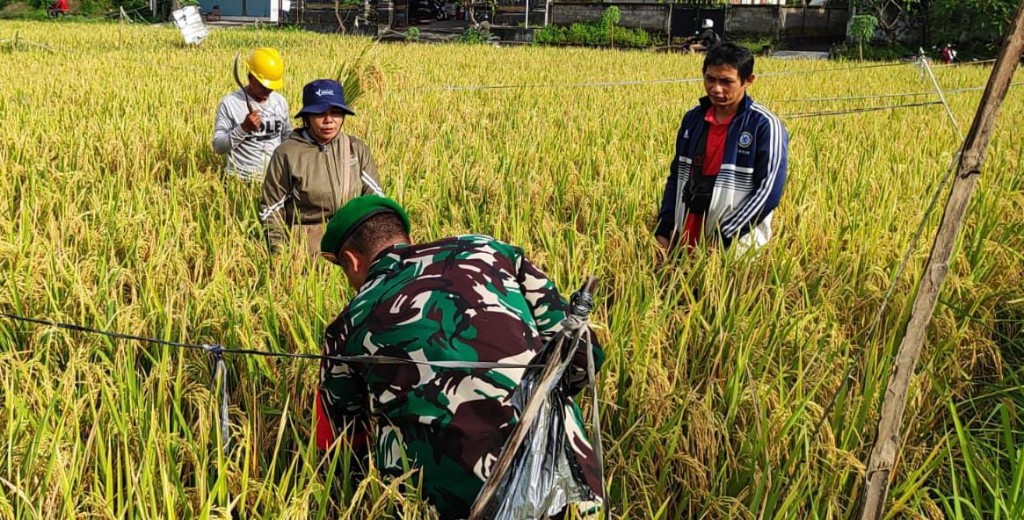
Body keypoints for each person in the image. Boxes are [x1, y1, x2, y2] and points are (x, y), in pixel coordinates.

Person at [315, 195, 605, 519]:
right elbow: (580, 352)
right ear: (408, 239)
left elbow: (340, 443)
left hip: (453, 501)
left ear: (352, 261)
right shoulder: (490, 250)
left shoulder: (345, 326)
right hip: (566, 478)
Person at [656, 42, 788, 253]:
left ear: (748, 80)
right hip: (686, 237)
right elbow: (676, 176)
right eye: (710, 79)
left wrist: (725, 235)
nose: (716, 88)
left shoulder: (764, 126)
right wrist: (664, 227)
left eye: (726, 82)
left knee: (725, 287)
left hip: (735, 246)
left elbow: (768, 192)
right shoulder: (693, 119)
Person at [260, 79, 383, 255]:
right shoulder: (288, 154)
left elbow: (375, 199)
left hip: (352, 245)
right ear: (307, 117)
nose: (329, 121)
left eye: (336, 112)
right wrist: (280, 255)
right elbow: (271, 208)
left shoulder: (355, 149)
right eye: (320, 113)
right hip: (306, 251)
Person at [213, 48, 291, 181]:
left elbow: (286, 138)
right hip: (239, 182)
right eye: (262, 85)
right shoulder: (230, 103)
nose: (267, 90)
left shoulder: (280, 102)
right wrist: (243, 128)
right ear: (250, 77)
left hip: (274, 179)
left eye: (271, 87)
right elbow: (219, 147)